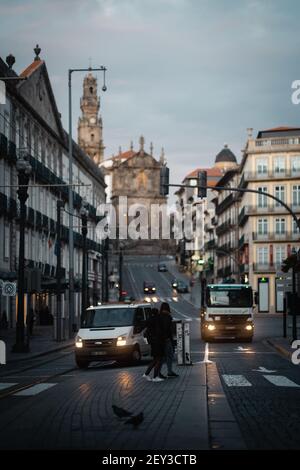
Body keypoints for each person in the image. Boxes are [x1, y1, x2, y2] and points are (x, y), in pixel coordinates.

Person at [142, 308, 165, 382]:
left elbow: (145, 331)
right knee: (158, 359)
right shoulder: (157, 320)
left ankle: (146, 374)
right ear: (157, 313)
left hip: (153, 342)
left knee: (155, 359)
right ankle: (155, 377)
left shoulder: (149, 320)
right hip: (158, 342)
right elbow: (159, 331)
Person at [160, 302, 179, 378]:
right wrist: (171, 339)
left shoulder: (159, 316)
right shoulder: (168, 317)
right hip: (167, 339)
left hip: (160, 339)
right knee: (169, 355)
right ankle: (169, 371)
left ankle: (159, 372)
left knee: (161, 356)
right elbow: (169, 329)